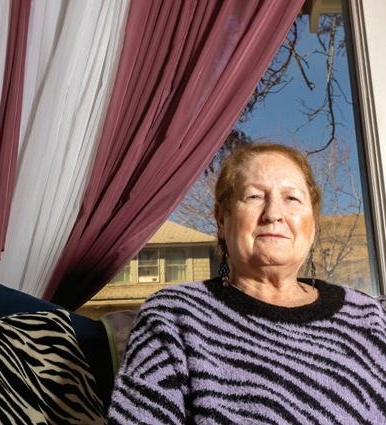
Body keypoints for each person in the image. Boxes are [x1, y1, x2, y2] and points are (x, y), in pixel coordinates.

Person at [108, 143, 386, 424]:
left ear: (312, 222)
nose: (273, 213)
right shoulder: (175, 315)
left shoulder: (368, 315)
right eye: (254, 196)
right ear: (222, 218)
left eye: (292, 198)